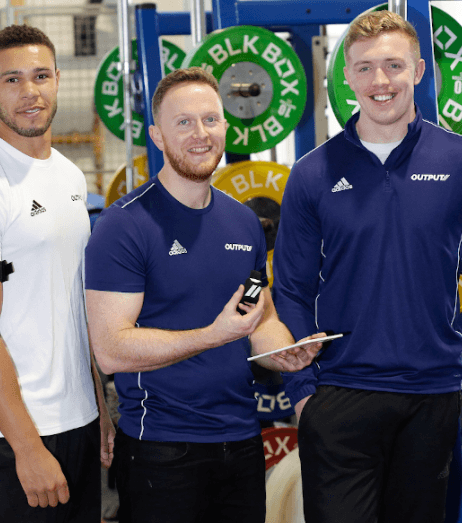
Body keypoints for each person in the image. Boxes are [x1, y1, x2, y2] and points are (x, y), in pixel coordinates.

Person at [271, 10, 462, 523]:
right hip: (340, 395)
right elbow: (291, 290)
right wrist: (303, 396)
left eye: (393, 65)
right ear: (346, 77)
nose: (380, 82)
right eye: (364, 68)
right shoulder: (313, 173)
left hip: (432, 393)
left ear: (419, 71)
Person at [84, 67, 324, 523]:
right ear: (156, 135)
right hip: (162, 449)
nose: (200, 134)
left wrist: (286, 353)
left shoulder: (243, 222)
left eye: (210, 120)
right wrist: (213, 335)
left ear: (226, 127)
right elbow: (111, 350)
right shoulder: (123, 226)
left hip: (240, 441)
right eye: (183, 122)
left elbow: (259, 317)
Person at [0, 25, 115, 522]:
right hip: (13, 430)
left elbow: (73, 306)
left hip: (76, 416)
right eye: (12, 80)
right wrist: (27, 446)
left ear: (58, 79)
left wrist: (93, 406)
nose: (29, 92)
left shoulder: (69, 176)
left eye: (40, 76)